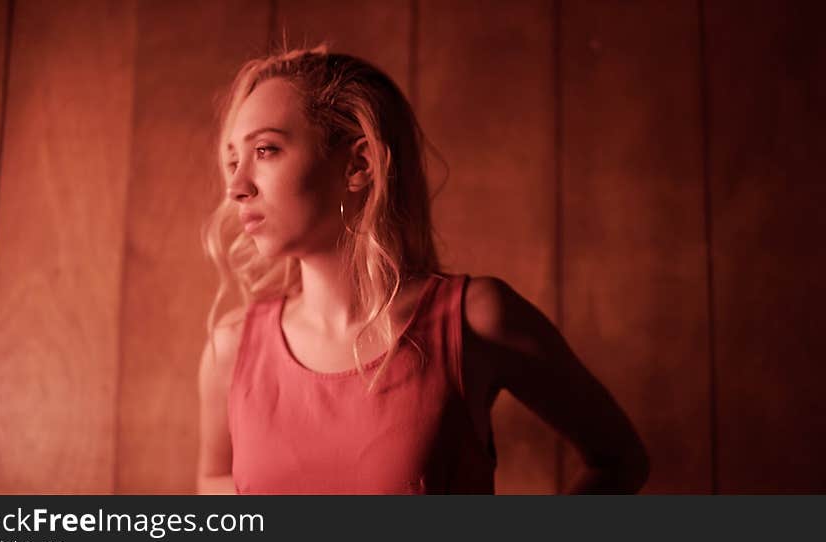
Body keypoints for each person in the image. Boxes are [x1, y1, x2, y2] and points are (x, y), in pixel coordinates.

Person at [196, 46, 649, 495]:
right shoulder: (231, 350)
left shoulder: (475, 319)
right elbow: (215, 480)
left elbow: (620, 462)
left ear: (359, 163)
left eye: (266, 150)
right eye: (234, 161)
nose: (236, 187)